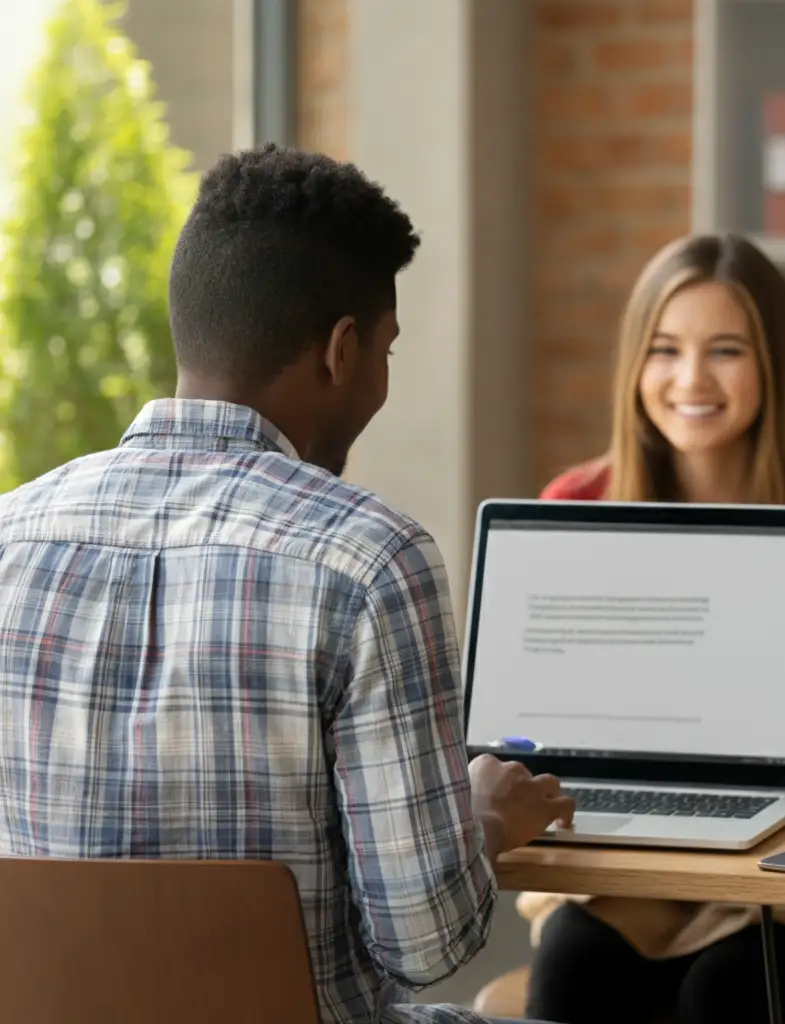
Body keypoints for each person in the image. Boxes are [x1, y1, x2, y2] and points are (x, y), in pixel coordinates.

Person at [0, 144, 573, 1024]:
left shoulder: (11, 534)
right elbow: (426, 944)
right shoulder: (369, 560)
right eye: (385, 348)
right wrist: (484, 817)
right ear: (342, 350)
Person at [519, 233, 785, 1024]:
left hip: (783, 855)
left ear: (775, 366)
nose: (690, 379)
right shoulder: (575, 504)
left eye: (725, 350)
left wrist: (773, 756)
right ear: (635, 365)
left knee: (724, 993)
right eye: (665, 350)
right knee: (574, 970)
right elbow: (543, 709)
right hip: (623, 853)